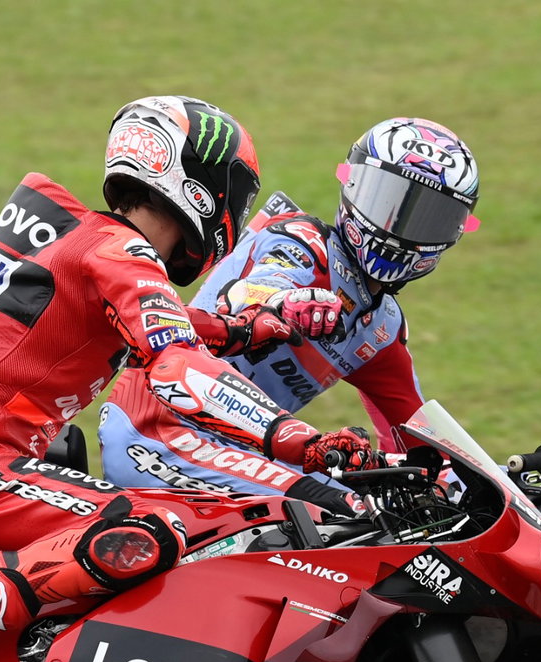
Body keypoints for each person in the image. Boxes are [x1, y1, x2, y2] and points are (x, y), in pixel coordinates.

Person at [0, 95, 380, 662]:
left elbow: (166, 327)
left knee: (190, 516)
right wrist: (301, 443)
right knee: (158, 523)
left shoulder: (96, 243)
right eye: (236, 194)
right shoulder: (120, 249)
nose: (237, 213)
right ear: (196, 179)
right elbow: (177, 367)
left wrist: (259, 325)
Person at [97, 117, 480, 495]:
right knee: (343, 510)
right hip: (156, 429)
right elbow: (253, 291)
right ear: (353, 186)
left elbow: (420, 440)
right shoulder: (302, 242)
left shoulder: (382, 325)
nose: (400, 228)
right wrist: (287, 303)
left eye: (430, 217)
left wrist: (501, 484)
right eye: (387, 201)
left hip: (244, 452)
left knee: (380, 509)